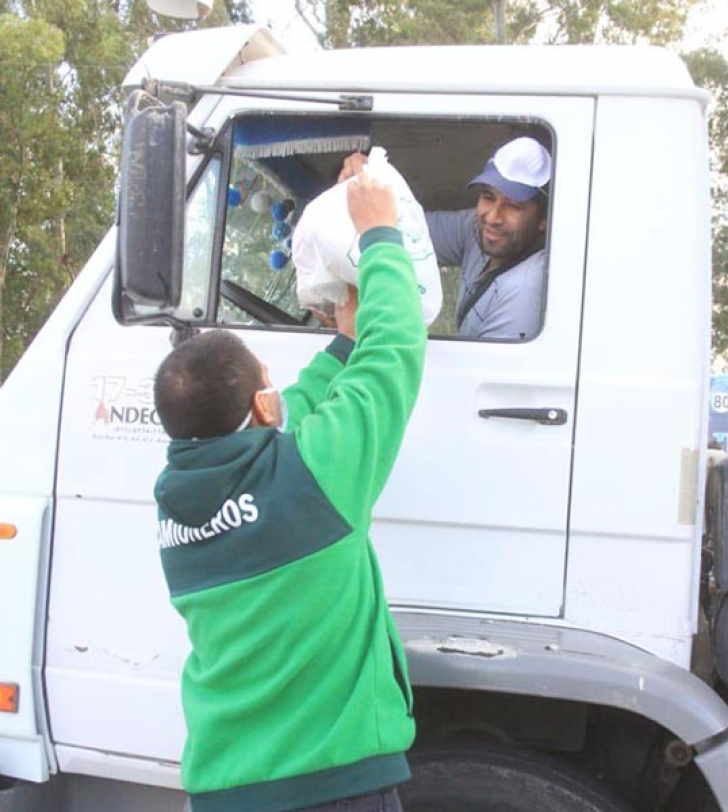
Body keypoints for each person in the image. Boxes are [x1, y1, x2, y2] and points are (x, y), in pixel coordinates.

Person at [152, 170, 426, 812]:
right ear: (261, 404)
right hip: (332, 789)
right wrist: (381, 233)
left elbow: (293, 411)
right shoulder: (312, 478)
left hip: (225, 790)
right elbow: (395, 357)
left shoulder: (175, 508)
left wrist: (342, 342)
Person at [339, 136, 551, 340]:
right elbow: (403, 229)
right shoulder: (478, 228)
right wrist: (368, 176)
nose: (493, 217)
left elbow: (480, 371)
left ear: (543, 219)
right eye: (488, 197)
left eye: (513, 206)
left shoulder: (524, 290)